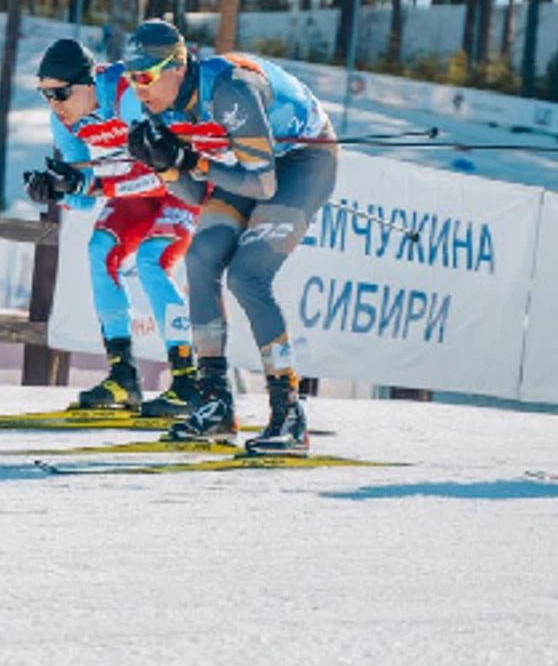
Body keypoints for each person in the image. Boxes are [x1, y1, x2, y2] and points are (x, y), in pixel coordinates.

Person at [125, 32, 337, 454]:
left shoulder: (231, 91)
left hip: (302, 163)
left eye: (146, 76)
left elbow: (263, 184)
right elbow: (196, 195)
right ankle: (215, 402)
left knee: (248, 275)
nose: (138, 88)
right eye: (131, 78)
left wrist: (195, 161)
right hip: (246, 165)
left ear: (178, 68)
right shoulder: (158, 107)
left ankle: (288, 413)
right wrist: (164, 167)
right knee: (201, 259)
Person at [23, 31, 206, 417]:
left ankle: (188, 381)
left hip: (174, 185)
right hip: (132, 191)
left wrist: (86, 183)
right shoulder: (66, 121)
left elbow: (160, 174)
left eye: (59, 94)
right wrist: (57, 191)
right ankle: (123, 377)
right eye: (44, 95)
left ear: (88, 83)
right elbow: (81, 195)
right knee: (100, 250)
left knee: (152, 261)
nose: (54, 105)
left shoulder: (124, 94)